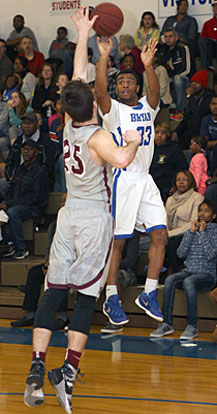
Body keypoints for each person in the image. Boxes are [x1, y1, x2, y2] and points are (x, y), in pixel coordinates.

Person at [24, 7, 141, 413]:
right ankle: (67, 372)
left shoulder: (68, 121)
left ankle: (37, 367)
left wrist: (83, 33)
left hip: (68, 216)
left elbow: (76, 75)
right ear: (90, 100)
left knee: (54, 290)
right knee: (87, 297)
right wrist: (132, 141)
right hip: (93, 219)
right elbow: (123, 161)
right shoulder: (98, 138)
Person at [95, 36, 167, 326]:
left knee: (160, 235)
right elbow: (100, 92)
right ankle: (111, 296)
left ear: (136, 86)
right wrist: (103, 58)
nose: (124, 85)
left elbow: (156, 92)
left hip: (145, 179)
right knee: (119, 242)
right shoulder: (113, 111)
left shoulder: (147, 108)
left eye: (129, 81)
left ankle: (149, 293)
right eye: (121, 82)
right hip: (122, 179)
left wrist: (148, 65)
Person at [150, 199, 217, 340]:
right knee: (170, 280)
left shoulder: (215, 232)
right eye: (200, 210)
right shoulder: (192, 230)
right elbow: (180, 254)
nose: (202, 213)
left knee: (189, 282)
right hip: (188, 271)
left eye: (206, 210)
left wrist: (203, 233)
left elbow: (211, 255)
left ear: (214, 215)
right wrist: (191, 233)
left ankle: (192, 326)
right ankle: (167, 323)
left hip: (207, 275)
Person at [11, 193, 68, 329]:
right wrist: (48, 262)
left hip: (72, 265)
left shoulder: (78, 224)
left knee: (61, 274)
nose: (63, 204)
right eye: (61, 201)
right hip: (55, 261)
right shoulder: (55, 224)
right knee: (34, 272)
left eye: (66, 201)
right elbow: (49, 247)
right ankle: (30, 313)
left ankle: (63, 316)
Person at [0, 139, 49, 259]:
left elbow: (34, 197)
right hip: (19, 204)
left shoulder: (39, 172)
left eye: (30, 149)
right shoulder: (18, 169)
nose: (26, 152)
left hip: (35, 207)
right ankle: (10, 243)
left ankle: (21, 249)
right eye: (24, 149)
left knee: (13, 212)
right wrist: (5, 202)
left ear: (36, 152)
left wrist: (9, 204)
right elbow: (12, 191)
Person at [5, 112, 56, 192]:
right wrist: (10, 177)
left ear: (36, 124)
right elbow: (9, 162)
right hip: (17, 180)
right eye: (24, 123)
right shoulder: (19, 141)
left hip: (37, 184)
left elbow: (48, 167)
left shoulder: (46, 141)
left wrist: (28, 179)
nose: (26, 126)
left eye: (30, 123)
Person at [165, 170, 204, 272]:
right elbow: (165, 220)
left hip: (189, 233)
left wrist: (170, 234)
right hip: (169, 234)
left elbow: (193, 222)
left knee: (172, 246)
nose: (181, 182)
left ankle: (179, 271)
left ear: (191, 182)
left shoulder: (197, 198)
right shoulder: (170, 199)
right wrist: (164, 233)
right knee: (157, 241)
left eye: (184, 180)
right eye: (178, 180)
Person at [171, 70, 216, 149]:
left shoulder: (209, 96)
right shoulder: (193, 98)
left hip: (202, 132)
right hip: (190, 132)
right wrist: (176, 132)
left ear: (203, 84)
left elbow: (199, 113)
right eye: (192, 82)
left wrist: (189, 97)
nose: (193, 85)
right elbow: (186, 118)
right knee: (171, 140)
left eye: (197, 82)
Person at [158, 27, 194, 120]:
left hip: (186, 79)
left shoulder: (183, 47)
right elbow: (161, 68)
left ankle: (179, 111)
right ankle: (167, 104)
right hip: (170, 80)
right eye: (166, 37)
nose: (168, 39)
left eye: (171, 36)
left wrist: (172, 78)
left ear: (176, 37)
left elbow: (188, 69)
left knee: (177, 79)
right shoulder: (163, 50)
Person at [150, 122, 188, 203]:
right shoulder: (149, 148)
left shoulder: (174, 149)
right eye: (157, 132)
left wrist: (175, 186)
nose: (159, 135)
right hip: (151, 185)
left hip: (168, 186)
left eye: (162, 133)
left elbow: (182, 169)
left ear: (167, 135)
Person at [198, 0, 217, 69]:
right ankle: (206, 67)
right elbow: (203, 38)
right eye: (214, 6)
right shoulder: (207, 23)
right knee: (202, 41)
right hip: (211, 47)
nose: (216, 8)